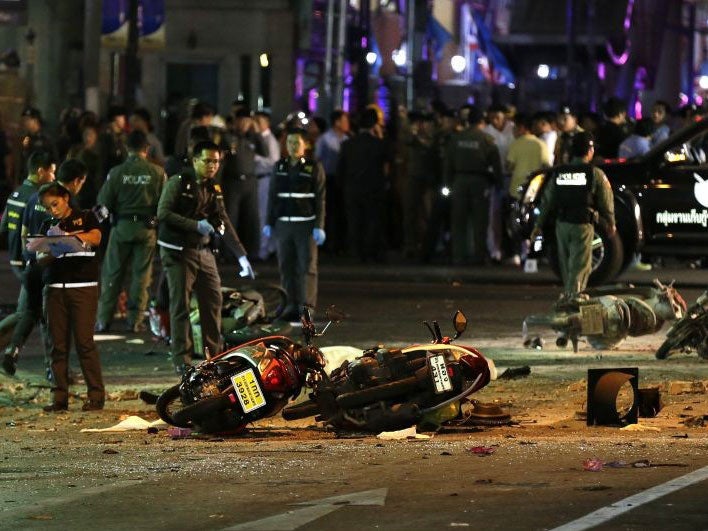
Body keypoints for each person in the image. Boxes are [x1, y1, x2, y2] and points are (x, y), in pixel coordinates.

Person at [157, 140, 254, 374]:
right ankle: (182, 359)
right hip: (178, 251)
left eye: (216, 162)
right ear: (195, 160)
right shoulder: (179, 183)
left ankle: (214, 356)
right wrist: (194, 225)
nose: (212, 166)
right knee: (180, 304)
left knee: (213, 302)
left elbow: (224, 221)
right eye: (208, 161)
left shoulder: (213, 188)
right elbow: (163, 213)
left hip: (204, 251)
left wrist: (241, 256)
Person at [5, 159, 89, 378]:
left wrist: (29, 257)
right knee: (55, 324)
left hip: (32, 266)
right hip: (52, 271)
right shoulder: (66, 204)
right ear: (77, 181)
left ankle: (12, 351)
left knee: (29, 313)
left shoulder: (34, 197)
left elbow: (24, 233)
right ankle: (55, 371)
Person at [37, 181, 105, 411]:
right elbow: (38, 255)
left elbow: (96, 237)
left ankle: (96, 396)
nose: (52, 211)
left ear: (65, 197)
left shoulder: (85, 217)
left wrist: (70, 238)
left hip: (83, 286)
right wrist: (51, 247)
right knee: (56, 345)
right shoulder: (47, 224)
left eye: (55, 204)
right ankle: (59, 397)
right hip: (54, 288)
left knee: (84, 343)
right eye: (48, 208)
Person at [95, 130, 166, 333]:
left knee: (112, 274)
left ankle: (103, 319)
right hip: (147, 230)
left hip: (122, 228)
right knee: (141, 276)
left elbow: (102, 205)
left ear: (127, 148)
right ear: (147, 148)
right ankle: (134, 321)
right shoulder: (158, 173)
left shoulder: (116, 173)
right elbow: (164, 205)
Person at [531, 132, 616, 299]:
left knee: (566, 265)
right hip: (582, 225)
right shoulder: (595, 173)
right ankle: (573, 299)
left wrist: (537, 226)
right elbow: (607, 201)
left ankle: (569, 295)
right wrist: (611, 222)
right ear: (590, 151)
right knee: (580, 266)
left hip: (561, 225)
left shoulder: (559, 172)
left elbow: (547, 202)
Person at [0, 151, 56, 374]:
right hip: (30, 262)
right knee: (35, 313)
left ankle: (14, 353)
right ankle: (52, 367)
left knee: (30, 312)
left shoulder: (16, 193)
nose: (53, 177)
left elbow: (4, 227)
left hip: (17, 259)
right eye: (51, 172)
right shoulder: (36, 198)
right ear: (41, 171)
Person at [263, 128, 326, 322]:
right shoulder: (279, 166)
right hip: (284, 225)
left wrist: (319, 225)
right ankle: (290, 305)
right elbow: (272, 196)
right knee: (286, 266)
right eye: (289, 142)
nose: (292, 146)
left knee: (306, 267)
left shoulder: (313, 167)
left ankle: (306, 309)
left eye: (296, 142)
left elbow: (320, 198)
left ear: (305, 145)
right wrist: (269, 222)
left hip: (305, 225)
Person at [444, 105, 502, 265]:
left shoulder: (456, 139)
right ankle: (479, 256)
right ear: (481, 121)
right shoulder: (486, 140)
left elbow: (447, 164)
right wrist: (498, 184)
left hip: (459, 182)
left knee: (458, 221)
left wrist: (447, 184)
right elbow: (496, 165)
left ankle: (458, 256)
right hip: (480, 183)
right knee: (480, 222)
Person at [337, 108, 389, 263]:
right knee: (372, 220)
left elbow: (341, 168)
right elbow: (386, 166)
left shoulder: (348, 144)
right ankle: (370, 251)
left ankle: (355, 251)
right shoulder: (378, 144)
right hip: (374, 187)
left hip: (352, 187)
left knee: (354, 220)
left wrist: (343, 185)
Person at [221, 108, 267, 256]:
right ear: (235, 121)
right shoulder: (227, 137)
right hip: (232, 181)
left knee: (251, 218)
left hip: (250, 181)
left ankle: (252, 252)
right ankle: (228, 253)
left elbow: (264, 152)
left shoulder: (253, 138)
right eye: (241, 121)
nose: (244, 124)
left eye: (247, 121)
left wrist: (257, 131)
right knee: (230, 218)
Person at [507, 113, 551, 264]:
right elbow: (547, 165)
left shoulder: (516, 144)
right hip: (536, 191)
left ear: (521, 128)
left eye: (514, 128)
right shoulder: (541, 144)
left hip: (517, 190)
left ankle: (515, 255)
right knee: (535, 223)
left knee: (515, 223)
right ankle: (535, 255)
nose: (513, 132)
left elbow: (509, 165)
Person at [315, 109, 350, 254]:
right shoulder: (324, 139)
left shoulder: (347, 139)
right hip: (328, 178)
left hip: (343, 179)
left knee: (342, 211)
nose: (347, 124)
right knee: (327, 212)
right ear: (337, 122)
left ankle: (340, 243)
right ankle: (326, 243)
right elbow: (317, 159)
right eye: (344, 120)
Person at [253, 111, 281, 260]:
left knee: (263, 214)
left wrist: (256, 158)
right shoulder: (258, 139)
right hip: (259, 179)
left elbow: (273, 162)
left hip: (265, 179)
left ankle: (264, 249)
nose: (255, 124)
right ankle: (268, 246)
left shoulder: (269, 140)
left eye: (258, 121)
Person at [15, 107, 56, 186]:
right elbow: (22, 161)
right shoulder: (26, 138)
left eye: (27, 120)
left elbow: (54, 159)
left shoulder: (46, 139)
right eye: (23, 120)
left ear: (35, 120)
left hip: (42, 181)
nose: (24, 123)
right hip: (27, 180)